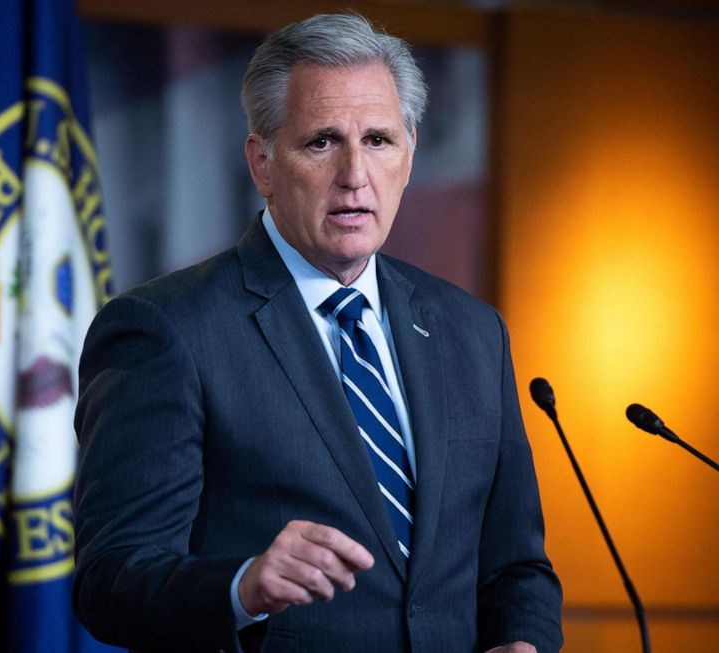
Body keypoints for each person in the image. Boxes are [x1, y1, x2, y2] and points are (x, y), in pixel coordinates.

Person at [73, 13, 563, 653]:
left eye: (380, 141)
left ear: (410, 156)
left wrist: (522, 641)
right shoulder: (167, 330)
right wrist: (242, 587)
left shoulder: (472, 333)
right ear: (263, 162)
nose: (355, 174)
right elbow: (112, 578)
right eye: (323, 142)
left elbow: (516, 567)